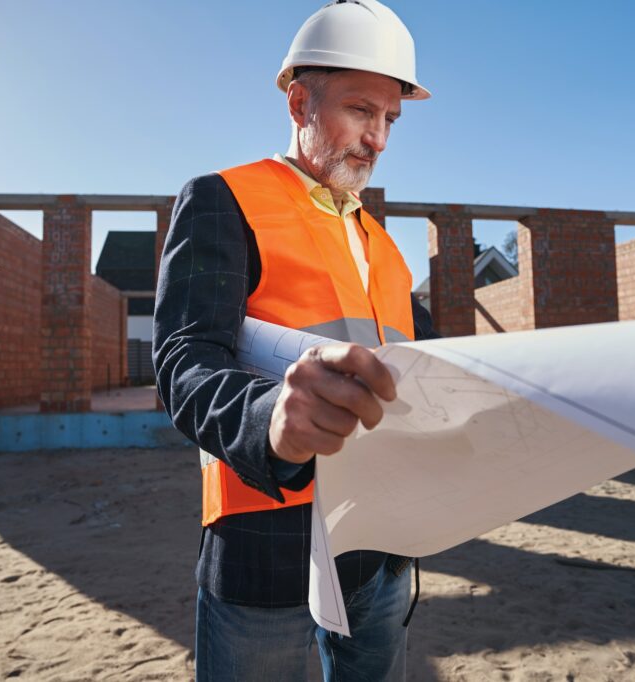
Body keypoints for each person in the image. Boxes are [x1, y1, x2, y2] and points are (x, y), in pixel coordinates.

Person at [153, 1, 439, 679]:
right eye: (361, 111)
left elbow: (427, 370)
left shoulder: (385, 249)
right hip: (265, 538)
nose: (379, 139)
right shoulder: (224, 200)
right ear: (300, 101)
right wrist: (269, 420)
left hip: (381, 541)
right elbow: (183, 361)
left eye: (390, 119)